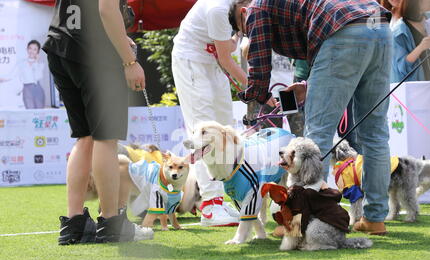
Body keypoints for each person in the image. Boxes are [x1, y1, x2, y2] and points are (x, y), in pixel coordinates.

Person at [231, 0, 393, 235]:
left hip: (342, 29)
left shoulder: (254, 9)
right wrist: (310, 84)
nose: (248, 32)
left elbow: (258, 62)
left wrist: (256, 95)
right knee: (375, 133)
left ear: (242, 13)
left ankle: (299, 220)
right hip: (379, 25)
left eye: (243, 28)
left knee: (317, 136)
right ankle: (375, 218)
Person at [43, 0, 153, 244]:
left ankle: (74, 225)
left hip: (61, 45)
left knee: (85, 137)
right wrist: (129, 61)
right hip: (93, 54)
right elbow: (106, 9)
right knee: (106, 136)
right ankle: (111, 222)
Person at [172, 0, 246, 227]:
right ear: (242, 8)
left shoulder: (230, 12)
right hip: (191, 62)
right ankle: (210, 206)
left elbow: (228, 49)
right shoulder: (217, 9)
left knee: (225, 129)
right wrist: (255, 90)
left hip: (210, 63)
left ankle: (221, 199)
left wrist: (240, 33)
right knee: (203, 133)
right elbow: (226, 59)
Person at [391, 0, 430, 159]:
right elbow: (400, 66)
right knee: (427, 136)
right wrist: (421, 47)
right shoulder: (399, 28)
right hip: (418, 91)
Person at [0, 40, 46, 109]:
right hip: (27, 89)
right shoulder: (21, 63)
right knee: (30, 113)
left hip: (38, 89)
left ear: (38, 51)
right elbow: (12, 74)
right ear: (27, 49)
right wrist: (2, 79)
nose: (32, 51)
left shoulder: (40, 64)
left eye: (35, 49)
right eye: (30, 48)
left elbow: (38, 77)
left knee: (40, 114)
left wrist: (36, 63)